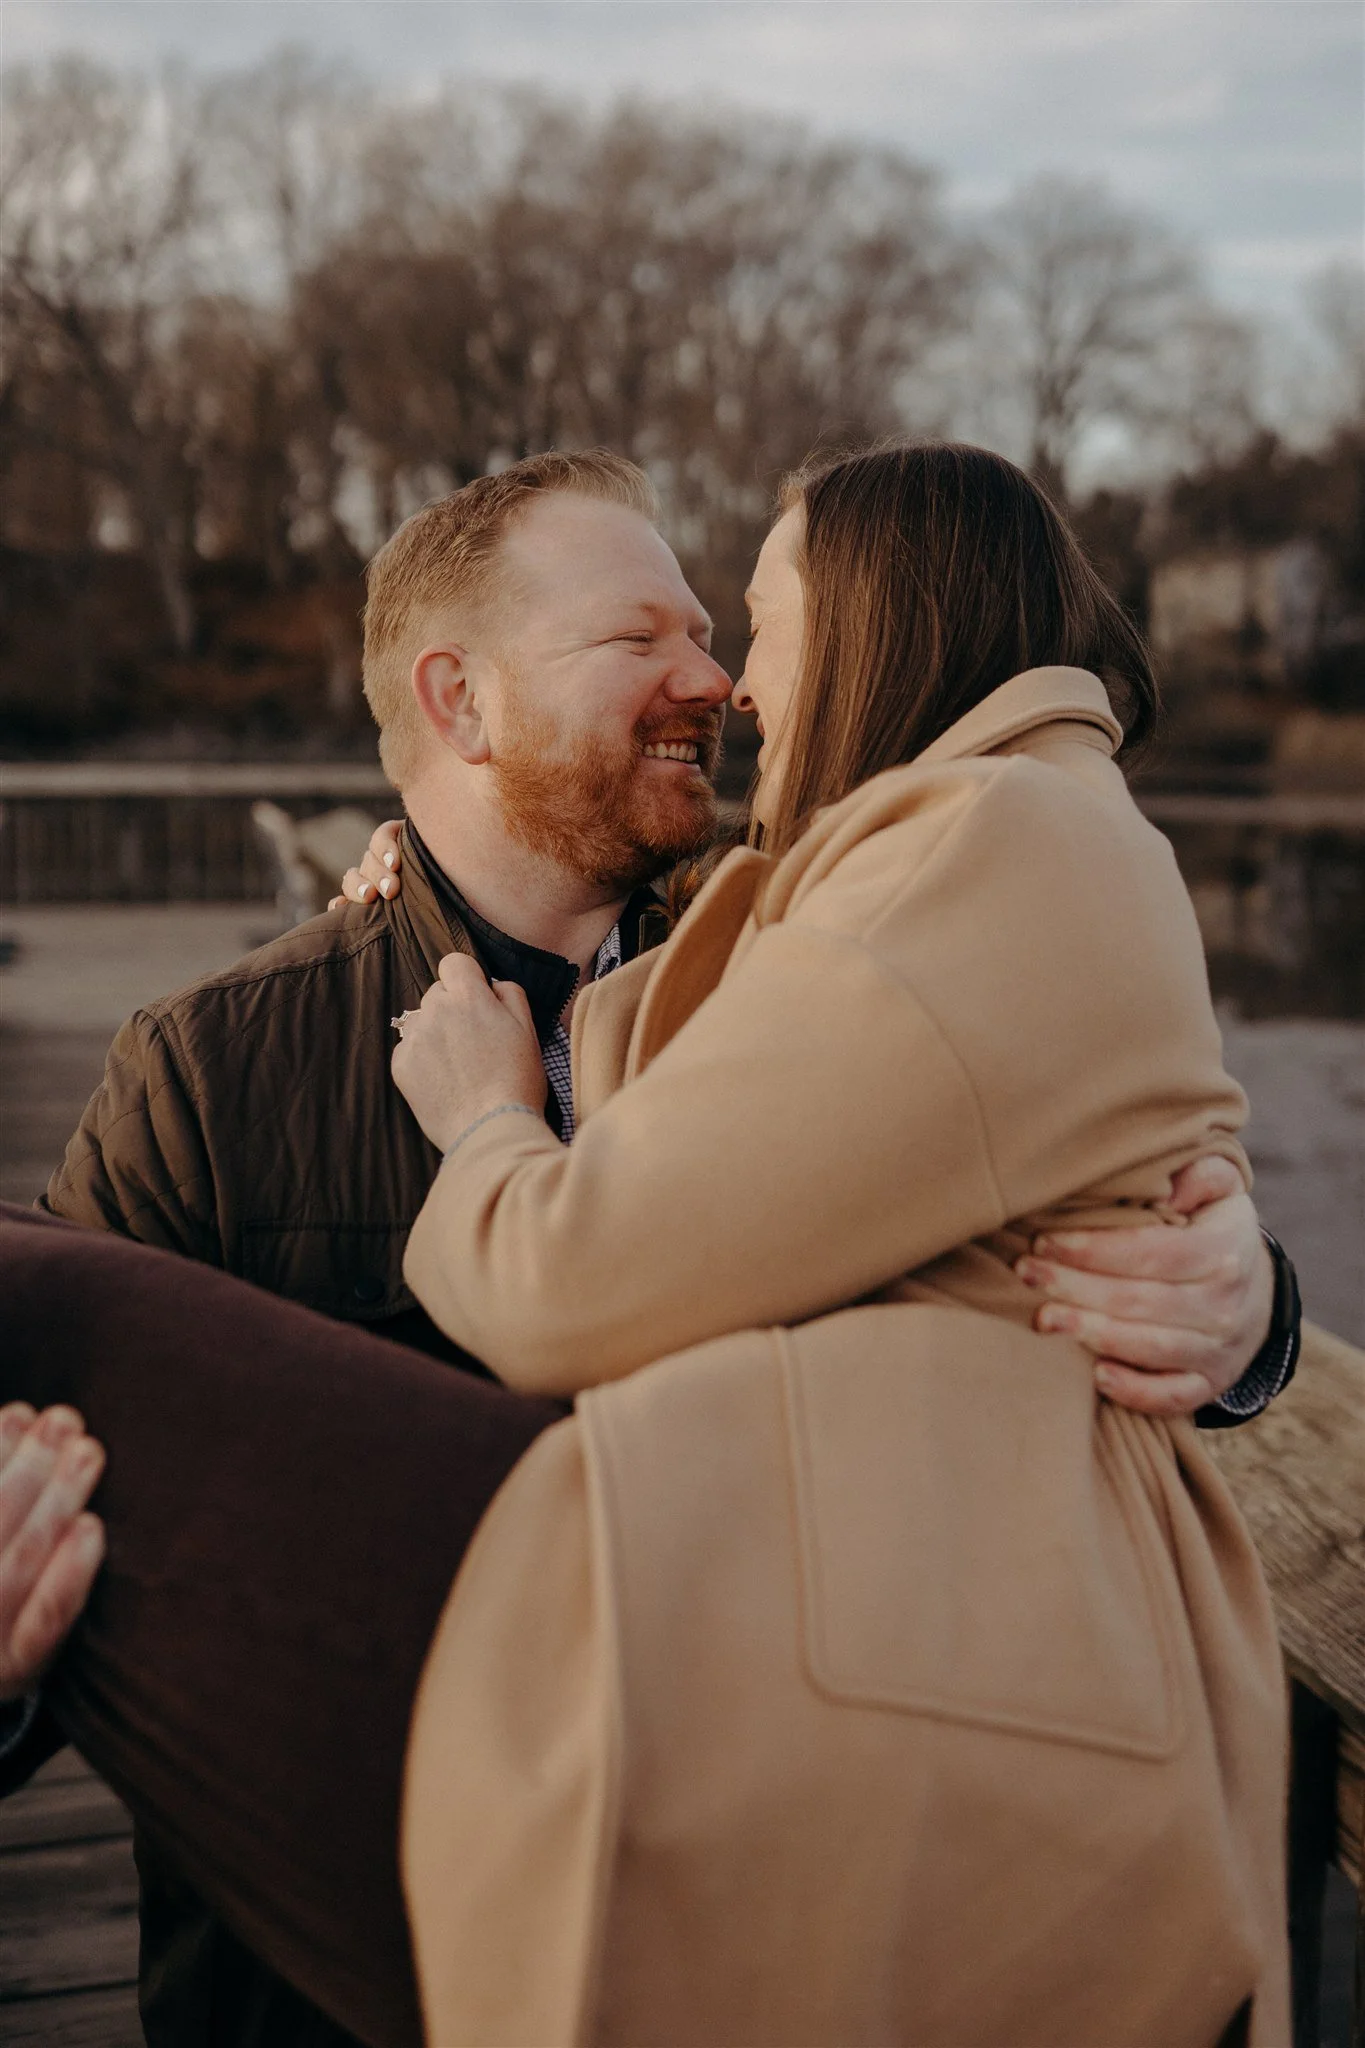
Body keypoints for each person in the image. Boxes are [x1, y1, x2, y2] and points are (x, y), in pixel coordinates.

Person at [0, 445, 1300, 2043]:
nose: (716, 681)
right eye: (640, 637)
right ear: (461, 701)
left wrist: (1251, 1310)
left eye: (715, 625)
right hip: (343, 1971)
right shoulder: (213, 1074)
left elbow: (1061, 1187)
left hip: (736, 1917)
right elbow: (52, 1510)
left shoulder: (820, 968)